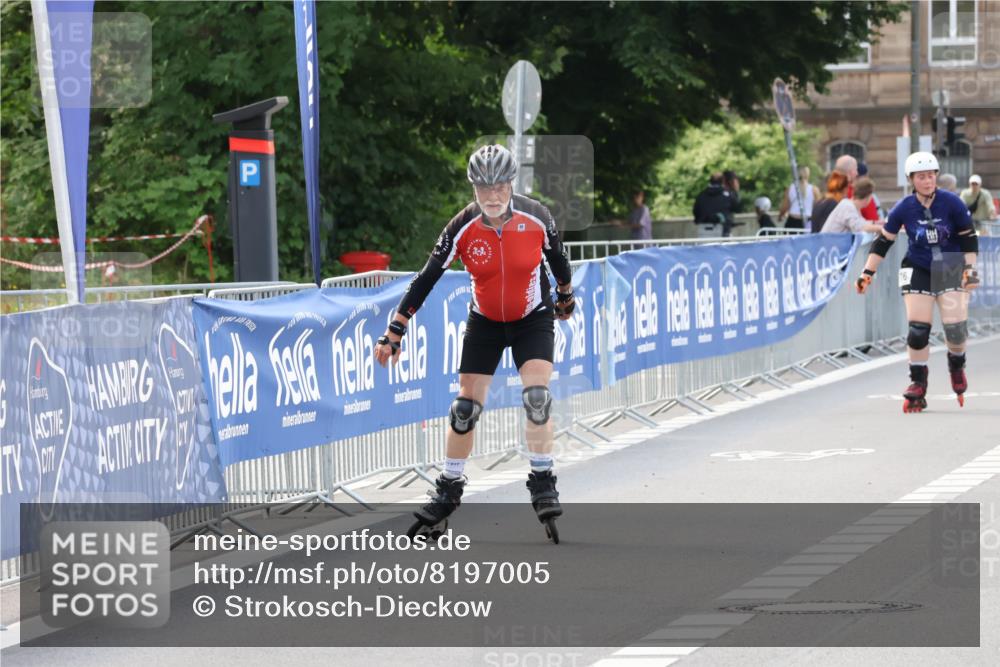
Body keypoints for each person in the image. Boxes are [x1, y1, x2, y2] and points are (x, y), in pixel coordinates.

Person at [375, 144, 573, 540]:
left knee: (537, 398)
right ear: (473, 189)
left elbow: (558, 260)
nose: (493, 196)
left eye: (500, 187)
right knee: (464, 408)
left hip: (532, 318)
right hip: (484, 321)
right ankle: (448, 489)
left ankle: (542, 479)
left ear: (511, 184)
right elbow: (426, 277)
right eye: (484, 189)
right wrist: (395, 327)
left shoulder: (537, 217)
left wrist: (565, 295)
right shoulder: (462, 226)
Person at [855, 151, 980, 412]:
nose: (928, 181)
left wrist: (971, 270)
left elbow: (969, 238)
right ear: (911, 179)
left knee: (955, 331)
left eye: (931, 175)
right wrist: (867, 273)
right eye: (922, 177)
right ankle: (917, 384)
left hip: (950, 264)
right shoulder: (903, 207)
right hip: (917, 266)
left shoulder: (952, 203)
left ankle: (957, 364)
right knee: (918, 330)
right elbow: (884, 241)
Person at [693, 173, 738, 238]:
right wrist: (735, 191)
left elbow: (696, 212)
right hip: (723, 232)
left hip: (704, 233)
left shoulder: (701, 196)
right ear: (723, 181)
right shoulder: (728, 195)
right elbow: (736, 208)